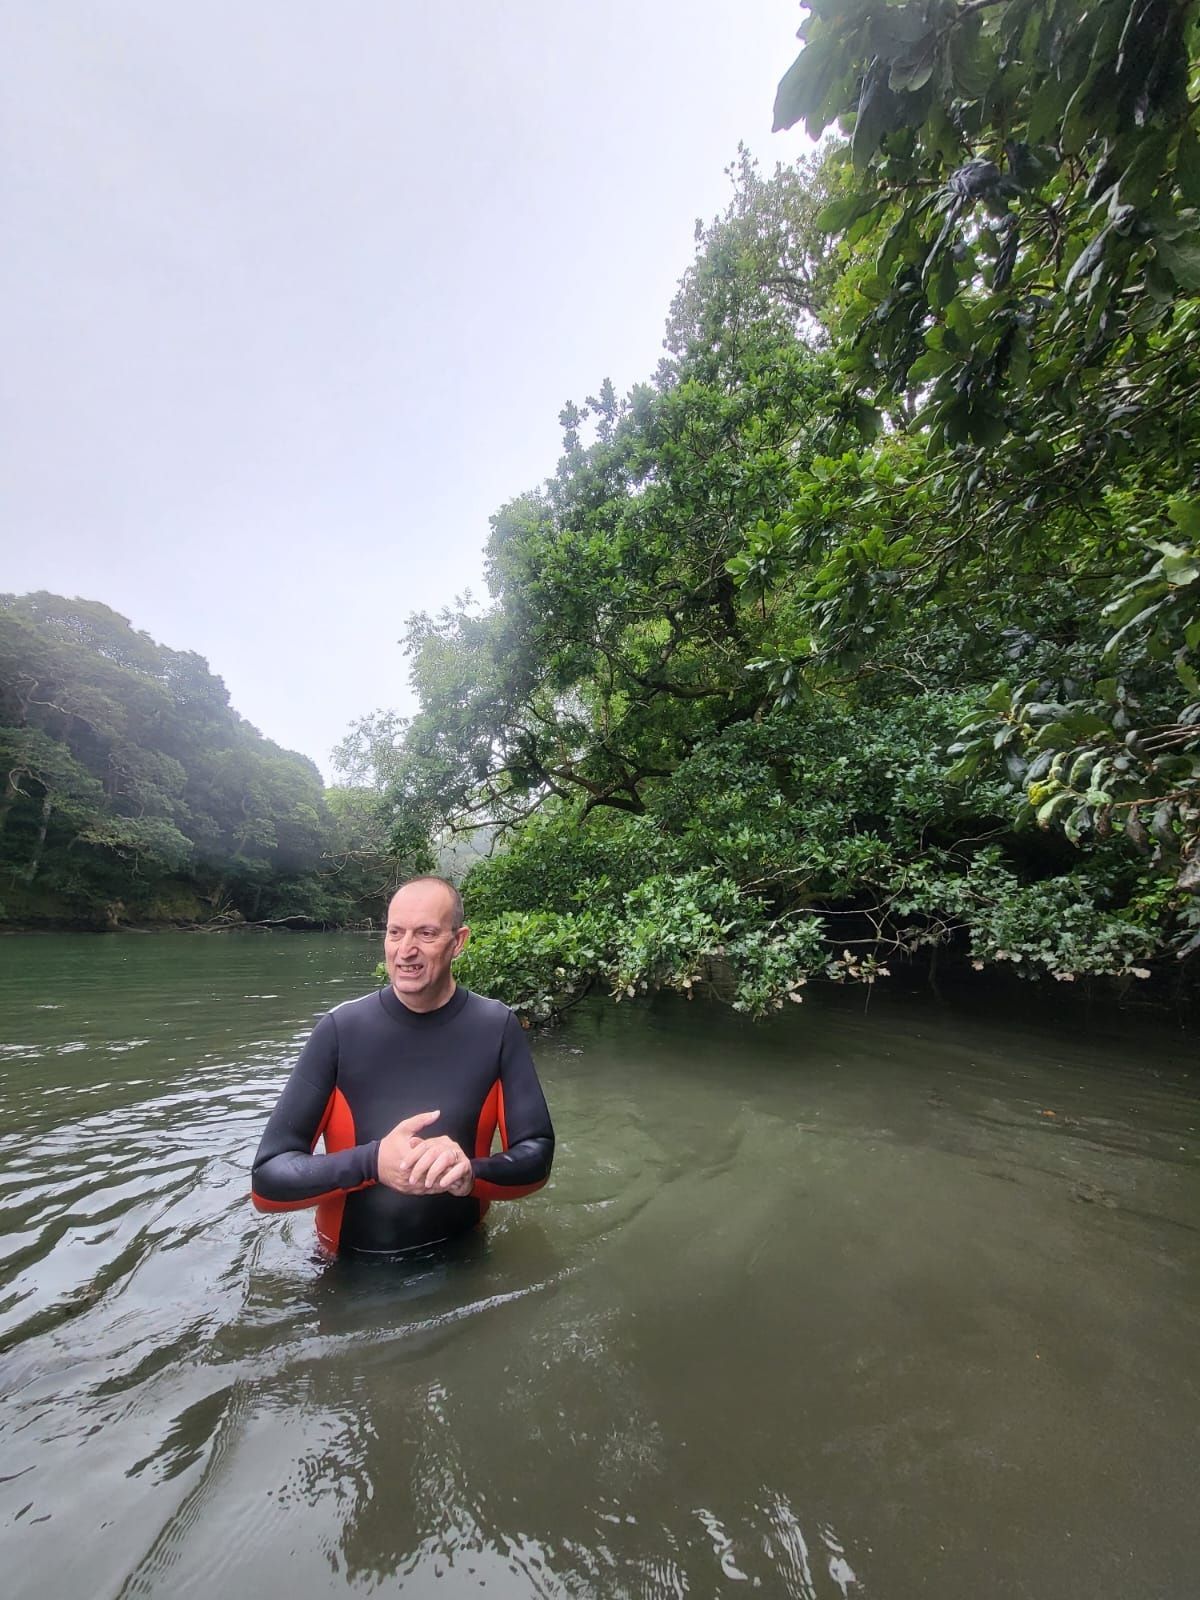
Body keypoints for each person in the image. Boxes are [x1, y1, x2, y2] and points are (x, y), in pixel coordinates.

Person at [251, 876, 554, 1256]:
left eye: (426, 933)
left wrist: (469, 1174)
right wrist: (372, 1162)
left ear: (458, 942)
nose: (405, 950)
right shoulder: (340, 1031)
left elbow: (536, 1155)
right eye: (395, 933)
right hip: (345, 1270)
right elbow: (267, 1181)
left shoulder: (496, 1028)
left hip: (464, 1259)